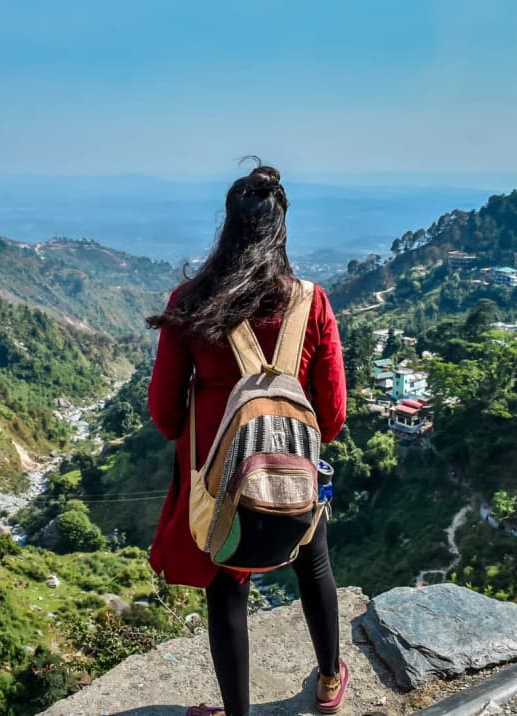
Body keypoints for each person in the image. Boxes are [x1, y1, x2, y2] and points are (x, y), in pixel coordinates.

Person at [147, 163, 349, 716]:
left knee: (228, 588)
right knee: (314, 562)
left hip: (221, 475)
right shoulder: (312, 302)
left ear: (229, 227)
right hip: (293, 468)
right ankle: (330, 684)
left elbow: (164, 412)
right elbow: (331, 415)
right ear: (281, 230)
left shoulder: (191, 299)